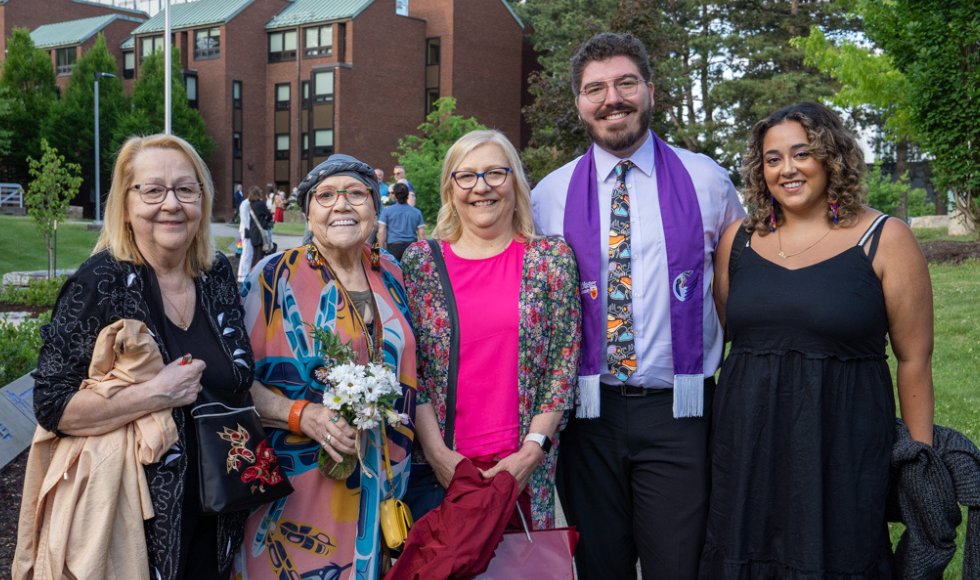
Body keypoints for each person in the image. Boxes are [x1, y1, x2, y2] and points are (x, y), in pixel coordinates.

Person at [531, 32, 745, 579]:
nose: (612, 99)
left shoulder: (708, 182)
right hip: (586, 415)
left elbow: (738, 293)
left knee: (680, 565)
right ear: (580, 103)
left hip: (680, 410)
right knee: (600, 567)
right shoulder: (548, 197)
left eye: (625, 83)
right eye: (595, 89)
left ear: (650, 91)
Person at [700, 102, 935, 579]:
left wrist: (919, 462)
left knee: (840, 552)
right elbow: (736, 335)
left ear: (832, 157)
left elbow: (914, 360)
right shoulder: (737, 242)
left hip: (842, 440)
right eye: (772, 158)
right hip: (748, 440)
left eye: (802, 153)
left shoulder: (886, 238)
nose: (787, 169)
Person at [28, 134, 254, 580]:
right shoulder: (101, 282)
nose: (171, 203)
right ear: (127, 205)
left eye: (186, 189)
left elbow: (234, 379)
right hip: (135, 523)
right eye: (153, 190)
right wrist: (155, 393)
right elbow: (53, 405)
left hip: (220, 509)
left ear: (202, 201)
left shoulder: (216, 273)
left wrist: (304, 415)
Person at [233, 154, 417, 579]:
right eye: (326, 195)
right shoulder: (273, 278)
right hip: (296, 488)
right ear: (307, 210)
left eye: (356, 194)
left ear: (375, 206)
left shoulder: (392, 274)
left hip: (385, 482)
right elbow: (235, 381)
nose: (342, 205)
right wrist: (303, 414)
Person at [401, 129, 582, 531]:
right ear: (450, 189)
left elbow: (562, 364)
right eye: (466, 176)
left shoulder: (550, 259)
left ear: (515, 182)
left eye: (495, 174)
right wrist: (436, 454)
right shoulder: (422, 263)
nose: (481, 187)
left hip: (522, 468)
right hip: (444, 470)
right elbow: (418, 370)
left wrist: (531, 452)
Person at [378, 182, 425, 262]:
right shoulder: (417, 212)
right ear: (407, 195)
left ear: (395, 194)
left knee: (394, 273)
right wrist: (423, 251)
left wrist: (382, 251)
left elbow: (381, 232)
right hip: (412, 247)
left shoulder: (387, 211)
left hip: (393, 247)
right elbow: (422, 233)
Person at [247, 185, 273, 269]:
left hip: (253, 231)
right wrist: (266, 219)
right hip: (260, 233)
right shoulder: (261, 204)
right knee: (259, 256)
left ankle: (251, 275)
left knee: (255, 255)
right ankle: (256, 275)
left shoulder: (250, 205)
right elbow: (269, 216)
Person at [237, 189, 253, 282]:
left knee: (248, 252)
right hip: (246, 230)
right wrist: (250, 229)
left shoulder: (247, 203)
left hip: (248, 229)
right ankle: (242, 274)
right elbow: (244, 218)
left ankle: (244, 273)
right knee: (246, 252)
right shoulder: (245, 203)